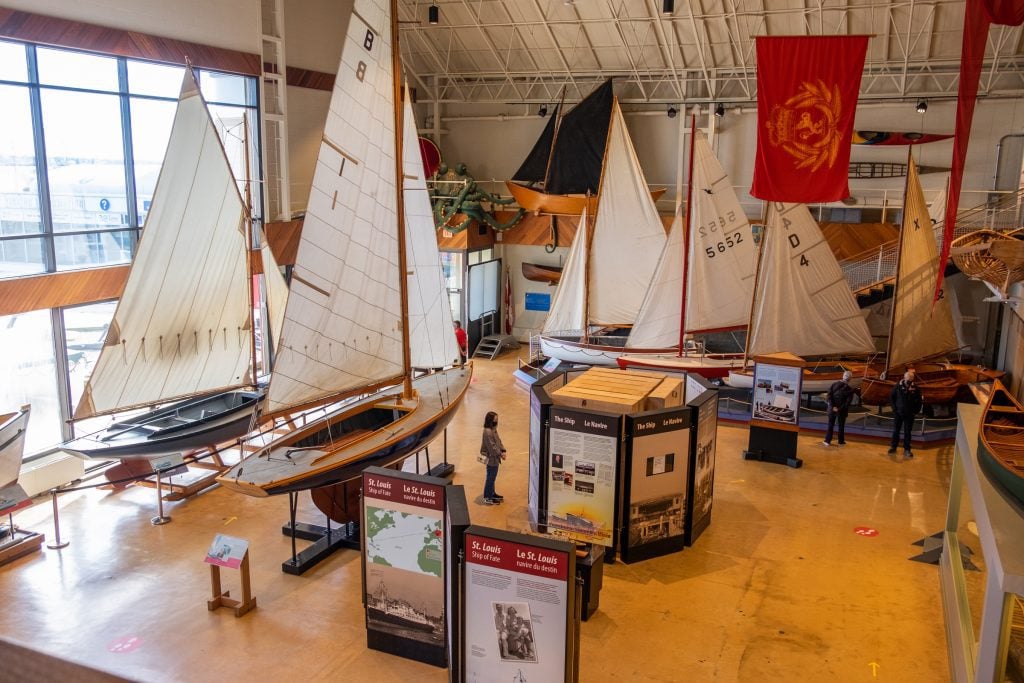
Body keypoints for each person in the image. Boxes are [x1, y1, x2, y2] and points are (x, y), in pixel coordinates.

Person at [888, 370, 922, 459]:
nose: (909, 380)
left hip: (910, 414)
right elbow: (892, 397)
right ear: (904, 378)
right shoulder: (897, 386)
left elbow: (919, 401)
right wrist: (894, 409)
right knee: (896, 431)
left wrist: (916, 411)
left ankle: (907, 449)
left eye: (911, 379)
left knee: (908, 432)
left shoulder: (916, 388)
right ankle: (893, 447)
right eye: (908, 378)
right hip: (898, 413)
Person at [823, 370, 857, 447]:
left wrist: (833, 406)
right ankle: (841, 441)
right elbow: (847, 403)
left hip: (832, 409)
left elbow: (829, 396)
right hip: (842, 411)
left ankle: (827, 441)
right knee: (841, 426)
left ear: (843, 376)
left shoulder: (834, 384)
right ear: (850, 379)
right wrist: (839, 409)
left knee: (830, 425)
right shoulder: (850, 390)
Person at [480, 411, 506, 504]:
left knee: (492, 477)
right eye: (495, 420)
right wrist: (500, 454)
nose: (496, 421)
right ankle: (488, 497)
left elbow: (498, 441)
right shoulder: (487, 432)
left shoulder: (493, 429)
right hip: (491, 458)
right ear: (490, 420)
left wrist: (503, 450)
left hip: (495, 458)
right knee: (491, 477)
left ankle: (492, 493)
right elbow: (492, 447)